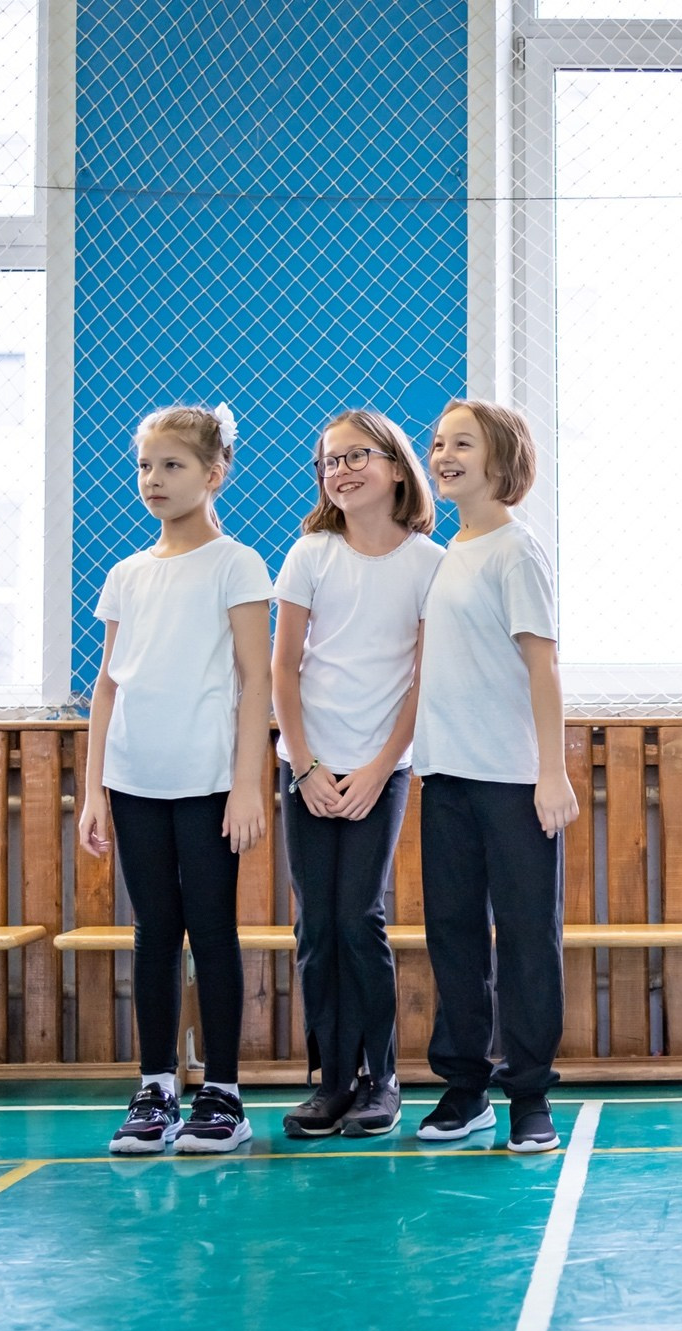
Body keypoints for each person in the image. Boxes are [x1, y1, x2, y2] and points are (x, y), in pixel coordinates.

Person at [78, 404, 274, 1154]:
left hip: (208, 783)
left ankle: (221, 1091)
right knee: (153, 931)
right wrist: (96, 789)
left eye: (173, 466)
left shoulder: (237, 564)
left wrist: (247, 782)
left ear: (214, 473)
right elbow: (107, 685)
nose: (154, 480)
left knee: (212, 929)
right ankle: (155, 1085)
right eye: (145, 466)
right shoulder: (127, 573)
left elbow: (256, 678)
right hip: (134, 780)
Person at [412, 399, 577, 1155]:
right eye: (439, 443)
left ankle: (529, 1095)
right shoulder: (451, 554)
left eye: (463, 444)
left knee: (524, 938)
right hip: (445, 776)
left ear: (501, 458)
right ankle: (465, 1087)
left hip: (511, 781)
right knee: (451, 935)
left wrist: (550, 773)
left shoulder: (516, 549)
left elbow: (541, 665)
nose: (444, 454)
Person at [274, 410, 443, 1139]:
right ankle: (331, 1080)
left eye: (355, 457)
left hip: (381, 770)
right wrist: (305, 764)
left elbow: (420, 679)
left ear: (397, 468)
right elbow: (283, 669)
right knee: (315, 925)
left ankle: (382, 1078)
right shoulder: (310, 554)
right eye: (328, 462)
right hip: (307, 767)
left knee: (357, 917)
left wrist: (379, 768)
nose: (339, 471)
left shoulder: (429, 564)